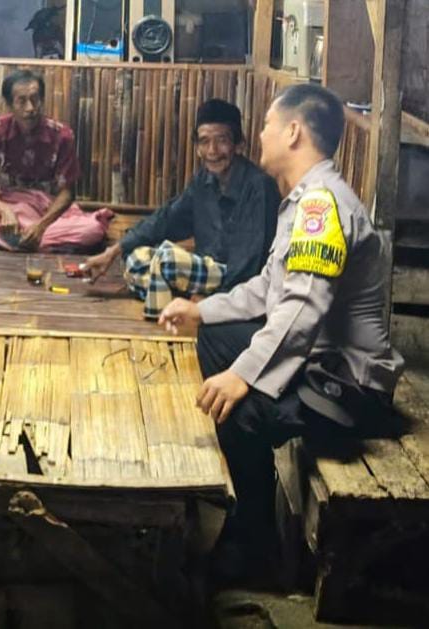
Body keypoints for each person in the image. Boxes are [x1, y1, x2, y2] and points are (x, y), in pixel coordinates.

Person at [158, 84, 404, 577]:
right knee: (217, 336)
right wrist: (202, 311)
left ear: (293, 132)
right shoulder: (303, 200)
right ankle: (248, 503)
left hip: (349, 388)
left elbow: (303, 306)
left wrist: (242, 376)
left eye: (268, 125)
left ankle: (254, 545)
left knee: (238, 410)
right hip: (320, 365)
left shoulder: (321, 207)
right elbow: (266, 289)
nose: (261, 135)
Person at [81, 99, 281, 319]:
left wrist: (214, 304)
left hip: (239, 287)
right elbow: (165, 219)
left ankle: (174, 306)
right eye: (204, 141)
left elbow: (251, 265)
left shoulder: (259, 187)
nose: (212, 150)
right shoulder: (203, 181)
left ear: (239, 144)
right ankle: (182, 299)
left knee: (167, 259)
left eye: (222, 140)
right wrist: (112, 252)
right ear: (197, 148)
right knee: (135, 258)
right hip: (203, 276)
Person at [0, 70, 112, 253]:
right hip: (6, 205)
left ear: (42, 100)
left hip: (47, 211)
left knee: (91, 231)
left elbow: (67, 194)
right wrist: (4, 210)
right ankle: (34, 242)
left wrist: (41, 226)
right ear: (9, 105)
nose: (30, 108)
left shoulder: (62, 135)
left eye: (35, 100)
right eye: (21, 101)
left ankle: (10, 240)